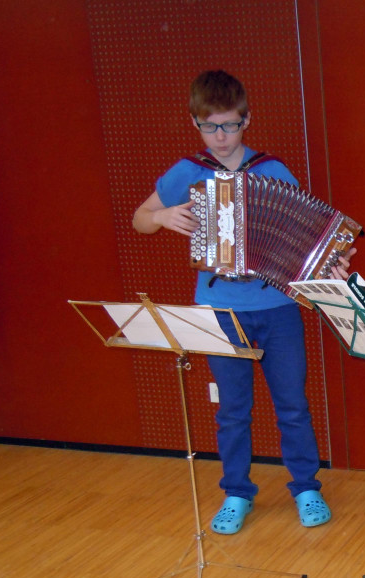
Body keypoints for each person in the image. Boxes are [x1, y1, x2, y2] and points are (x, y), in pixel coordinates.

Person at [133, 70, 349, 534]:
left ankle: (306, 487)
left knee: (292, 403)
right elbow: (140, 219)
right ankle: (236, 492)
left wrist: (330, 260)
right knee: (232, 409)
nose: (220, 136)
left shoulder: (272, 170)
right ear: (195, 123)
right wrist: (163, 216)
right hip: (220, 309)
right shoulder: (188, 171)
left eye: (230, 125)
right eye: (209, 126)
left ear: (246, 120)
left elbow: (306, 234)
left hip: (278, 309)